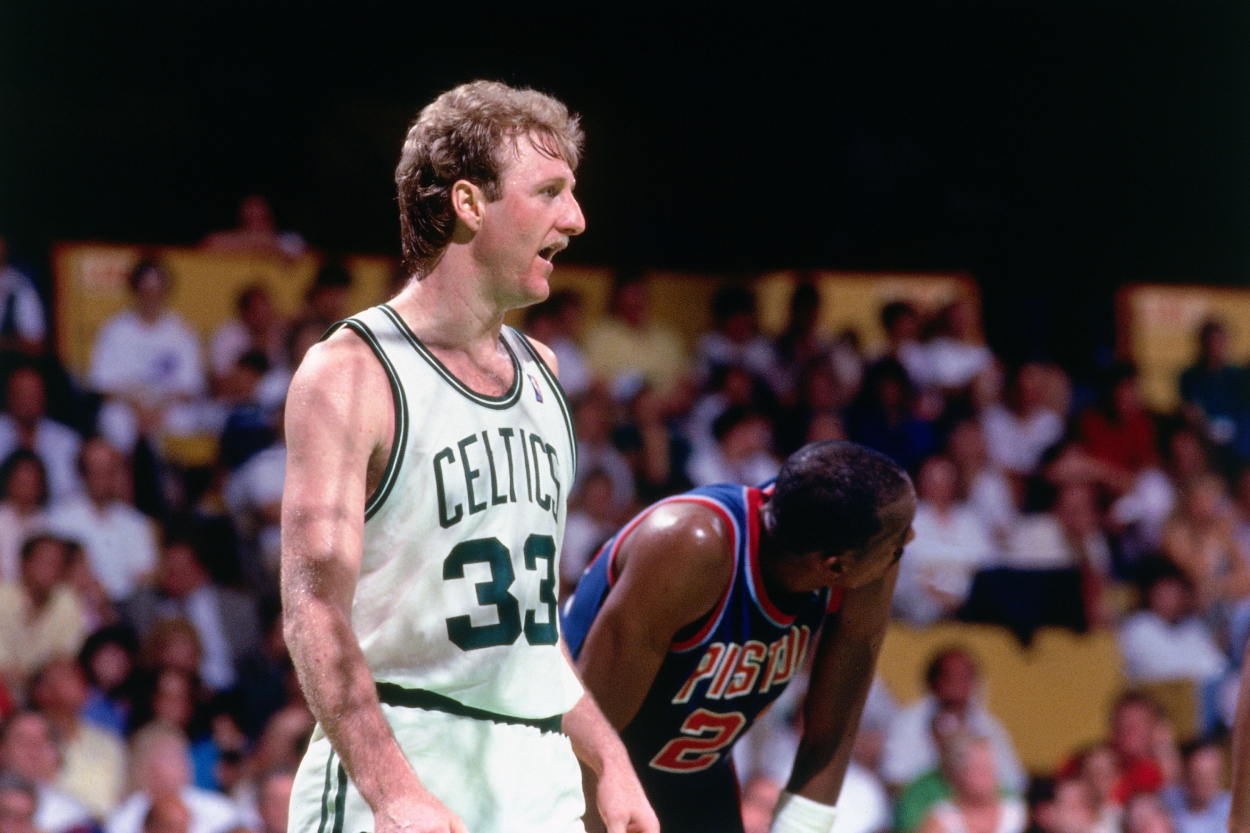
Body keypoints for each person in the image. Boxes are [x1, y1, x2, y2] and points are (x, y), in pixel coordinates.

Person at [280, 80, 655, 833]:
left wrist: (608, 759)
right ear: (469, 203)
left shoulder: (545, 373)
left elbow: (530, 621)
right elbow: (313, 609)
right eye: (549, 191)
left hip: (536, 767)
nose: (575, 220)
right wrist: (393, 792)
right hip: (405, 747)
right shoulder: (352, 372)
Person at [561, 439, 917, 833]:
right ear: (834, 567)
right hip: (584, 761)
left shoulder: (860, 553)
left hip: (697, 774)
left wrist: (800, 826)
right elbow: (587, 738)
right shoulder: (692, 545)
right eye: (899, 544)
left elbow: (833, 730)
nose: (910, 541)